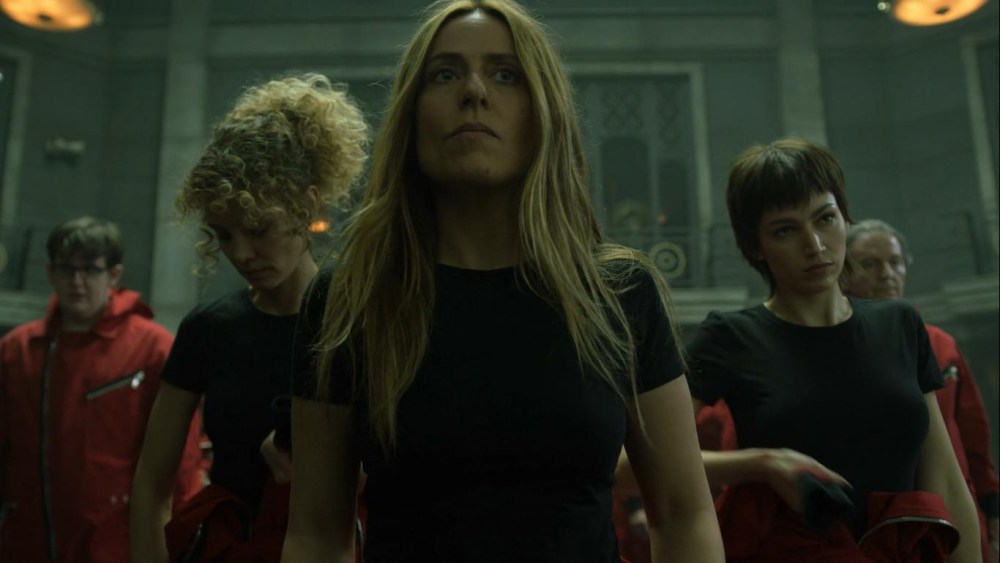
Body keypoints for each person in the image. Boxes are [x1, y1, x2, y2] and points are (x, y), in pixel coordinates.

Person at [283, 1, 724, 562]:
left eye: (505, 74)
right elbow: (317, 533)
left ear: (542, 111)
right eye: (445, 74)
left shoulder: (619, 293)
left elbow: (684, 514)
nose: (474, 91)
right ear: (412, 116)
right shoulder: (350, 300)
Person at [686, 138, 983, 562]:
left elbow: (946, 482)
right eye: (785, 230)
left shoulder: (899, 324)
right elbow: (628, 462)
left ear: (845, 218)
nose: (815, 244)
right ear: (755, 246)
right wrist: (762, 464)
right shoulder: (730, 337)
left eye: (825, 218)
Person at [129, 73, 368, 562]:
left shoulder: (356, 320)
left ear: (307, 205)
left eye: (258, 229)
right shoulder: (210, 328)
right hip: (228, 546)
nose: (241, 253)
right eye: (224, 234)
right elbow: (151, 485)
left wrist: (327, 463)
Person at [0, 216, 204, 563]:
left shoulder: (152, 349)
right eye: (67, 269)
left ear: (114, 275)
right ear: (50, 272)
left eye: (91, 270)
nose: (77, 281)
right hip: (29, 540)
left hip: (116, 543)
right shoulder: (17, 350)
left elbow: (180, 461)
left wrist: (182, 540)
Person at [844, 218, 1000, 563]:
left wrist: (993, 513)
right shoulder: (841, 348)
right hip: (885, 523)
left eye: (895, 262)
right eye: (870, 264)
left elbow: (974, 441)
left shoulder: (941, 344)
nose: (886, 273)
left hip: (957, 514)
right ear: (844, 274)